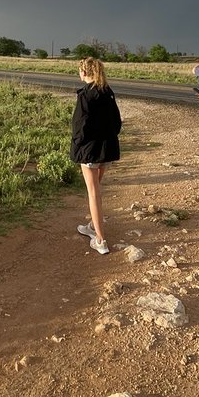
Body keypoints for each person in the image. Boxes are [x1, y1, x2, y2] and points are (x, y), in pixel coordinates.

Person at [71, 57, 122, 255]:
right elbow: (117, 122)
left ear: (84, 72)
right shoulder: (107, 91)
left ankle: (100, 240)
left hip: (90, 149)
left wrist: (77, 145)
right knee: (97, 189)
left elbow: (79, 126)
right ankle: (93, 226)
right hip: (106, 147)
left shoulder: (85, 95)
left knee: (94, 193)